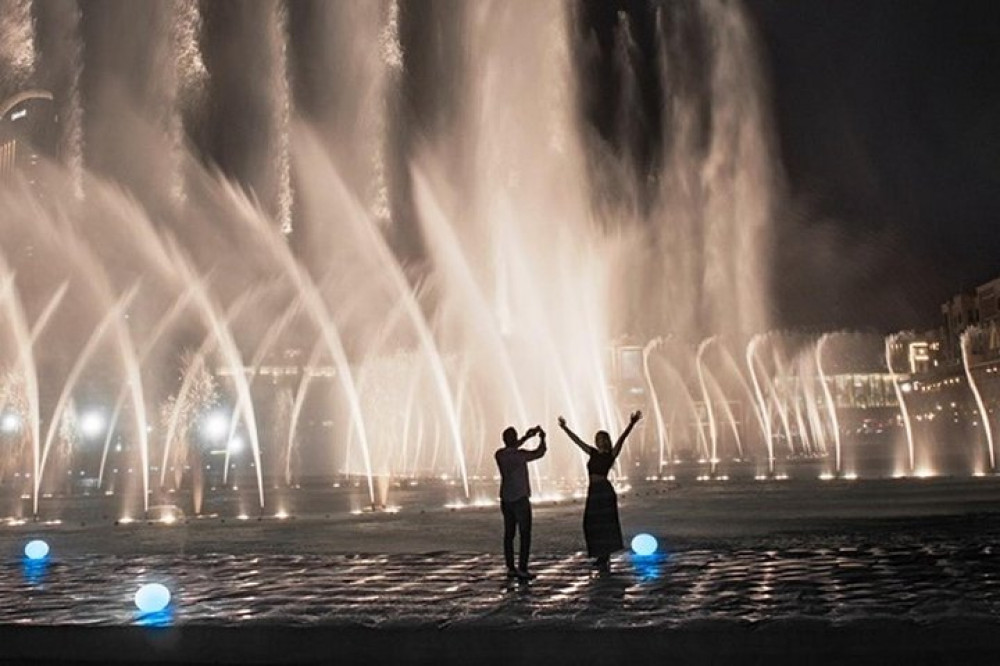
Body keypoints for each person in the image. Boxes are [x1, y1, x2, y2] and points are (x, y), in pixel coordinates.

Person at [558, 410, 642, 573]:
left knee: (605, 523)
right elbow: (577, 441)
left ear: (607, 441)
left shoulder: (611, 454)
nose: (600, 441)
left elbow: (622, 439)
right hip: (593, 491)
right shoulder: (592, 452)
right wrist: (565, 428)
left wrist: (631, 424)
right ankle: (600, 553)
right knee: (591, 523)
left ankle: (604, 555)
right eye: (598, 439)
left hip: (604, 491)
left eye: (602, 439)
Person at [495, 424, 547, 580]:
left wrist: (526, 437)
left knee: (509, 534)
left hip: (506, 498)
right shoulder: (520, 455)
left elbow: (511, 447)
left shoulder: (499, 455)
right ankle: (523, 568)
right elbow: (540, 452)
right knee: (525, 534)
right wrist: (542, 438)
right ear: (515, 439)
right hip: (520, 499)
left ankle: (511, 567)